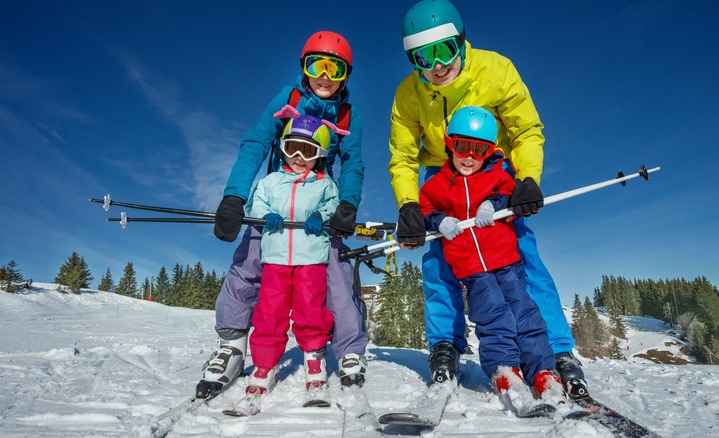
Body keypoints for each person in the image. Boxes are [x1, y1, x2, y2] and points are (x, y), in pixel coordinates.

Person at [388, 0, 588, 399]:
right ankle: (445, 342)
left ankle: (558, 351)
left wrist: (527, 178)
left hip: (494, 176)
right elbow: (403, 155)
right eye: (421, 58)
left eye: (443, 51)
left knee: (519, 257)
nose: (436, 66)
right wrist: (410, 206)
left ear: (460, 42)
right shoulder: (409, 93)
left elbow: (527, 129)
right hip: (441, 178)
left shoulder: (496, 70)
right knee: (441, 261)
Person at [197, 31, 367, 399]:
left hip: (318, 208)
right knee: (248, 264)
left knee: (335, 273)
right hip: (275, 205)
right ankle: (232, 346)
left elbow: (353, 162)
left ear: (345, 76)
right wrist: (235, 197)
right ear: (303, 69)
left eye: (334, 68)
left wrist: (346, 205)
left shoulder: (347, 113)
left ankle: (349, 350)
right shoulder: (287, 98)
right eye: (315, 64)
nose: (324, 75)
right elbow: (257, 142)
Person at [419, 106, 565, 402]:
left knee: (525, 313)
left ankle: (542, 370)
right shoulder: (437, 185)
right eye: (463, 147)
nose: (470, 157)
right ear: (449, 144)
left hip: (507, 262)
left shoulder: (497, 176)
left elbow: (509, 195)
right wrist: (439, 221)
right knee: (492, 317)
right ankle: (505, 369)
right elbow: (424, 210)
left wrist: (493, 205)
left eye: (480, 150)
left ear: (490, 151)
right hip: (471, 269)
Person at [244, 114, 339, 399]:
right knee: (269, 311)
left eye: (307, 151)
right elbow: (255, 204)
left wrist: (320, 216)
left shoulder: (325, 184)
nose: (299, 157)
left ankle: (314, 359)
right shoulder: (271, 182)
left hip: (310, 259)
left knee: (310, 310)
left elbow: (333, 205)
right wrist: (265, 215)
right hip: (275, 259)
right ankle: (264, 365)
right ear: (283, 148)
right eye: (292, 148)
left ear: (319, 155)